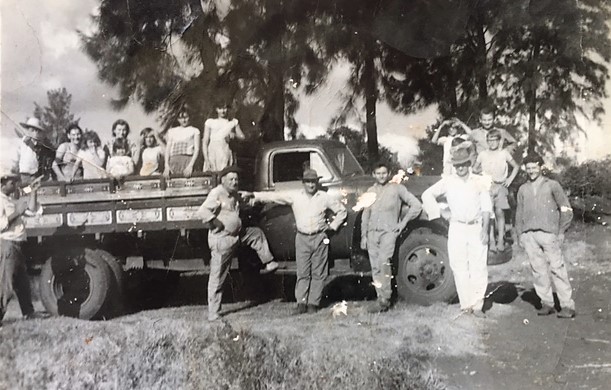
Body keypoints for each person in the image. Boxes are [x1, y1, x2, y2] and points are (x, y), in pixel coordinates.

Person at [245, 168, 348, 314]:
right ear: (303, 183)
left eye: (313, 182)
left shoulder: (324, 197)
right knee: (303, 272)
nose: (311, 185)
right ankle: (301, 303)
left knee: (319, 272)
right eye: (308, 182)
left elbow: (342, 211)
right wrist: (255, 195)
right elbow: (274, 196)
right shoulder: (295, 196)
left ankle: (313, 303)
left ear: (317, 182)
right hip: (302, 238)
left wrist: (332, 227)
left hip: (320, 237)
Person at [196, 166, 279, 321]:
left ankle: (269, 263)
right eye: (231, 180)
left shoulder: (234, 194)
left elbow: (241, 204)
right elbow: (202, 211)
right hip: (222, 239)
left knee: (255, 234)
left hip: (237, 235)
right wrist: (216, 221)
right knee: (218, 275)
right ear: (223, 181)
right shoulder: (217, 193)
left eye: (236, 179)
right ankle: (213, 312)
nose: (235, 182)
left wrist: (254, 201)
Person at [422, 144, 492, 317]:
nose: (460, 168)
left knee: (478, 266)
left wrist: (485, 230)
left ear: (469, 163)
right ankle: (466, 305)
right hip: (457, 227)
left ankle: (477, 306)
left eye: (463, 164)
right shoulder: (448, 181)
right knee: (459, 266)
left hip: (476, 227)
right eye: (457, 165)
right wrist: (441, 212)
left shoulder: (479, 181)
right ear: (454, 166)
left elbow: (486, 208)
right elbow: (427, 195)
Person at [515, 153, 575, 318]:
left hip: (549, 234)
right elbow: (519, 212)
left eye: (534, 167)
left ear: (541, 167)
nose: (532, 171)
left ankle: (567, 306)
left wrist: (561, 231)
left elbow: (566, 209)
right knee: (538, 270)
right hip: (529, 236)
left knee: (557, 269)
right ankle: (546, 303)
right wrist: (520, 234)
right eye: (528, 168)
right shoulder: (523, 189)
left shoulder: (552, 185)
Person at [360, 162, 422, 313]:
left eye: (384, 173)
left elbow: (416, 205)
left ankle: (386, 298)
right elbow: (365, 215)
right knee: (375, 266)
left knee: (384, 262)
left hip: (389, 232)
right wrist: (364, 236)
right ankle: (380, 298)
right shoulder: (370, 191)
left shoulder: (397, 188)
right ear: (373, 175)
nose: (381, 176)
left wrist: (402, 223)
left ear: (388, 174)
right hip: (372, 233)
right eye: (378, 173)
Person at [1, 168, 45, 325]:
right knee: (6, 284)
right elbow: (1, 225)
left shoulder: (11, 200)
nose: (14, 185)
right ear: (2, 184)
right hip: (8, 245)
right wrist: (17, 213)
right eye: (11, 182)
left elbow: (33, 210)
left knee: (23, 283)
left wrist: (33, 192)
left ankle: (29, 313)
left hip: (18, 245)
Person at [474, 130, 519, 252]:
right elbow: (474, 168)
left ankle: (500, 240)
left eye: (495, 140)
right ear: (487, 141)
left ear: (499, 141)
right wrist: (482, 175)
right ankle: (491, 240)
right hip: (487, 186)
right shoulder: (483, 154)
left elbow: (516, 166)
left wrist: (509, 179)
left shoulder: (504, 153)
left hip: (501, 186)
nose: (492, 143)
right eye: (490, 140)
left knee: (499, 212)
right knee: (489, 214)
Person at [202, 103, 245, 171]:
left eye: (225, 108)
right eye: (220, 108)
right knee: (212, 174)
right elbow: (205, 142)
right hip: (212, 152)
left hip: (225, 150)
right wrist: (206, 159)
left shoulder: (233, 121)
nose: (223, 111)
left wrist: (234, 135)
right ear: (216, 109)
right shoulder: (210, 122)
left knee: (225, 173)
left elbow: (242, 137)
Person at [12, 118, 55, 184]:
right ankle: (26, 192)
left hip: (35, 172)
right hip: (26, 173)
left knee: (34, 188)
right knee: (27, 189)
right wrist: (31, 135)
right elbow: (26, 138)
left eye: (38, 131)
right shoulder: (26, 140)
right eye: (32, 130)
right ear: (28, 130)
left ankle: (30, 192)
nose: (35, 132)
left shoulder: (38, 143)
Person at [163, 109, 200, 178]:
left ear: (190, 117)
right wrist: (166, 166)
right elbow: (167, 150)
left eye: (186, 117)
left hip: (187, 161)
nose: (184, 120)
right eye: (180, 118)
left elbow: (197, 149)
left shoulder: (194, 130)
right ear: (177, 119)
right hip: (173, 162)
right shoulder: (172, 131)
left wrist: (190, 166)